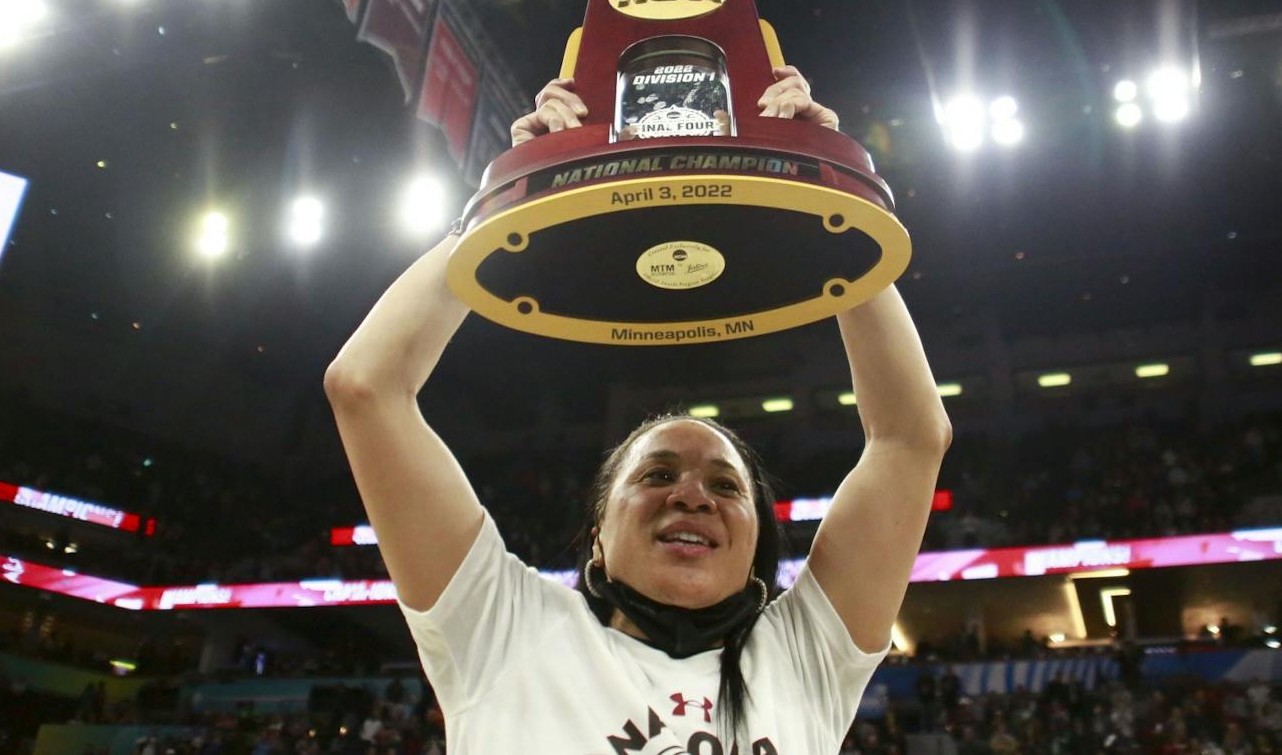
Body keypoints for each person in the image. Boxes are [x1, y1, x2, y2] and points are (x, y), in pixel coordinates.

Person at [326, 65, 953, 753]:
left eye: (724, 485)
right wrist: (506, 200)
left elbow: (910, 435)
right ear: (597, 529)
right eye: (656, 475)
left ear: (755, 548)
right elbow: (366, 386)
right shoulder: (503, 628)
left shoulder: (804, 656)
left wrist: (830, 196)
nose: (692, 494)